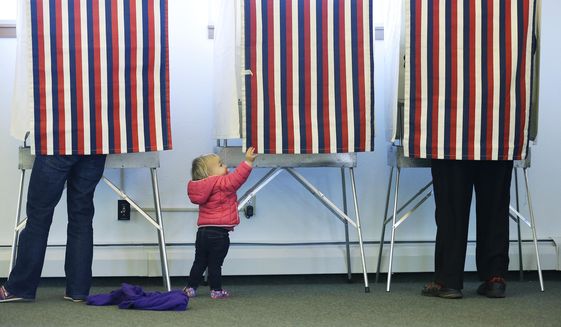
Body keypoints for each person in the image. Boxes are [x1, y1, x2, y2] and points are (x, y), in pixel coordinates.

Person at [1, 154, 107, 303]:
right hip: (95, 142)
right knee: (81, 216)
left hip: (57, 141)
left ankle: (20, 287)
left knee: (38, 216)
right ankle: (78, 290)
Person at [422, 160, 513, 299]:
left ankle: (448, 280)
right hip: (496, 140)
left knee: (451, 204)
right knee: (495, 203)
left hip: (452, 141)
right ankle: (495, 278)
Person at [183, 147, 257, 299]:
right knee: (215, 264)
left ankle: (190, 288)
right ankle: (216, 290)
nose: (226, 167)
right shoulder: (220, 183)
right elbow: (237, 178)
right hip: (219, 234)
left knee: (199, 262)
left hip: (202, 232)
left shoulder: (199, 186)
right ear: (210, 173)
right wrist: (248, 162)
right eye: (221, 165)